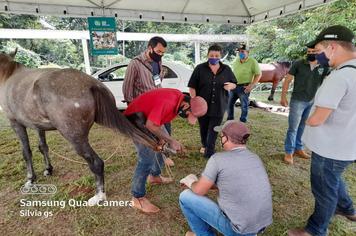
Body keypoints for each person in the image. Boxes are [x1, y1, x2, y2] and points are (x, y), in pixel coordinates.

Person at [288, 25, 356, 236]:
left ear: (333, 47)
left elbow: (317, 119)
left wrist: (305, 119)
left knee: (324, 189)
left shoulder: (340, 77)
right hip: (347, 145)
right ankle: (347, 209)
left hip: (330, 147)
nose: (319, 56)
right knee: (333, 178)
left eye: (320, 51)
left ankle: (315, 230)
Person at [179, 120, 272, 236]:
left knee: (185, 197)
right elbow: (231, 183)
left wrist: (191, 181)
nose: (220, 138)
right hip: (258, 227)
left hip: (239, 231)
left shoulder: (217, 159)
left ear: (226, 138)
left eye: (221, 135)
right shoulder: (255, 158)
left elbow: (199, 190)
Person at [124, 88, 208, 214]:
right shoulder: (168, 102)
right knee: (146, 158)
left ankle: (154, 176)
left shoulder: (179, 101)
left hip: (148, 118)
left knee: (162, 142)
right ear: (186, 105)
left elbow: (158, 121)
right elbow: (151, 125)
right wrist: (171, 141)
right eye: (189, 114)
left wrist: (164, 139)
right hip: (135, 120)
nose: (188, 118)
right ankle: (137, 198)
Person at [122, 36, 175, 173]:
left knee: (163, 133)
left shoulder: (158, 62)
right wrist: (134, 112)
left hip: (157, 106)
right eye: (158, 51)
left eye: (163, 52)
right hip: (142, 110)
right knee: (148, 139)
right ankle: (150, 165)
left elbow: (156, 81)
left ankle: (161, 161)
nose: (161, 54)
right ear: (149, 48)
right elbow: (127, 88)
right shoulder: (135, 63)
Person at [280, 43, 329, 165]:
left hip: (312, 101)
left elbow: (330, 79)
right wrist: (283, 96)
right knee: (293, 127)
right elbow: (288, 79)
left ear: (319, 52)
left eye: (314, 52)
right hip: (298, 100)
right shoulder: (299, 63)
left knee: (303, 125)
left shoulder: (324, 65)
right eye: (309, 52)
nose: (311, 54)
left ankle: (298, 148)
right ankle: (289, 151)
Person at [188, 44, 237, 158]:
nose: (214, 57)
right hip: (202, 105)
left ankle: (209, 152)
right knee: (204, 128)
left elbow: (234, 84)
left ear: (220, 56)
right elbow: (192, 87)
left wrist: (231, 85)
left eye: (216, 55)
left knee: (214, 129)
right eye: (211, 55)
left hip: (220, 104)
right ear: (207, 55)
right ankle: (205, 145)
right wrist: (195, 102)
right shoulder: (200, 68)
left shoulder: (226, 69)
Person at [227, 44, 261, 122]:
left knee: (244, 105)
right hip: (234, 86)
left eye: (242, 51)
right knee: (229, 103)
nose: (240, 53)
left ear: (248, 52)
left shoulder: (253, 61)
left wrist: (252, 85)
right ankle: (230, 119)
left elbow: (258, 74)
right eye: (239, 52)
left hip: (244, 87)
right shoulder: (236, 61)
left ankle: (243, 120)